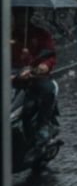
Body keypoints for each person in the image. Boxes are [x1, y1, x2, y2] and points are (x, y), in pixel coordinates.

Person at [11, 9, 58, 142]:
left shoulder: (41, 35)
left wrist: (42, 66)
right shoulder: (9, 36)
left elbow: (49, 56)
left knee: (48, 90)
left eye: (22, 15)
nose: (19, 18)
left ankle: (43, 124)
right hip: (13, 76)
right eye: (17, 15)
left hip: (33, 75)